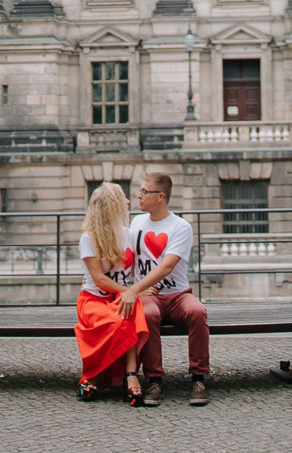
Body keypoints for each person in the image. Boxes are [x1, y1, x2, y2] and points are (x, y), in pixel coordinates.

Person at [118, 172, 210, 407]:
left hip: (178, 294)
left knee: (198, 312)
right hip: (149, 296)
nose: (138, 195)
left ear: (160, 197)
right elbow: (127, 258)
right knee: (147, 316)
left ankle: (199, 378)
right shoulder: (136, 222)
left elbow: (167, 266)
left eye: (144, 192)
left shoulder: (180, 226)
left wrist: (134, 289)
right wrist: (127, 288)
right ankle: (154, 379)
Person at [74, 182, 149, 406]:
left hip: (119, 296)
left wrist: (138, 290)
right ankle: (94, 375)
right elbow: (99, 279)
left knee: (129, 313)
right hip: (93, 299)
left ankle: (130, 373)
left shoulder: (129, 234)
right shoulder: (89, 238)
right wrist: (132, 291)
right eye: (122, 199)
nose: (129, 202)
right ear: (111, 207)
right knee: (115, 321)